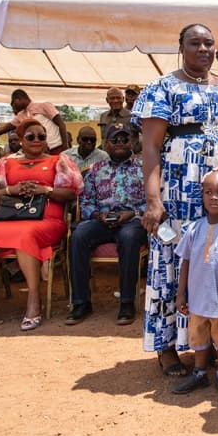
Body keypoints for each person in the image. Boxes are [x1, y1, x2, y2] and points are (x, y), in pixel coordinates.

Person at [132, 23, 218, 377]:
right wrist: (153, 200)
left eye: (208, 43)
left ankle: (207, 344)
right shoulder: (162, 87)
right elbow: (150, 147)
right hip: (179, 190)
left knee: (213, 264)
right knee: (172, 261)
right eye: (194, 43)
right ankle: (165, 346)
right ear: (180, 46)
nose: (203, 49)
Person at [0, 119, 83, 330]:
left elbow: (72, 193)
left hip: (47, 221)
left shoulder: (59, 160)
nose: (37, 140)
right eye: (31, 136)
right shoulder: (6, 163)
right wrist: (11, 190)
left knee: (25, 235)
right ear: (21, 140)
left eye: (41, 136)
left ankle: (34, 299)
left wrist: (45, 190)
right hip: (11, 219)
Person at [172, 170, 218, 398]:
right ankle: (200, 372)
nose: (214, 198)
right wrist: (181, 294)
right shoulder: (193, 228)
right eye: (208, 193)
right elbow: (185, 262)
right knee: (199, 336)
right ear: (202, 196)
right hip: (197, 300)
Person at [66, 123, 147, 326]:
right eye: (115, 140)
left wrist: (133, 213)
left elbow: (154, 202)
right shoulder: (95, 170)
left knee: (129, 238)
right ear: (106, 145)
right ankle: (81, 303)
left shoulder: (144, 168)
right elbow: (85, 202)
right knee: (78, 236)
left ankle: (127, 302)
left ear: (132, 142)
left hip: (133, 220)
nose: (120, 143)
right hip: (103, 220)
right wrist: (96, 216)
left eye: (124, 139)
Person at [0, 89, 70, 154]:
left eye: (13, 104)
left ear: (18, 99)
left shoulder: (43, 105)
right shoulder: (20, 116)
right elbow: (4, 129)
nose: (14, 108)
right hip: (39, 152)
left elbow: (61, 124)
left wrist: (65, 147)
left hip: (57, 148)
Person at [124, 84, 143, 154]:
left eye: (133, 94)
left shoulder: (142, 113)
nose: (130, 97)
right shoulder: (120, 112)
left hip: (136, 152)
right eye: (128, 94)